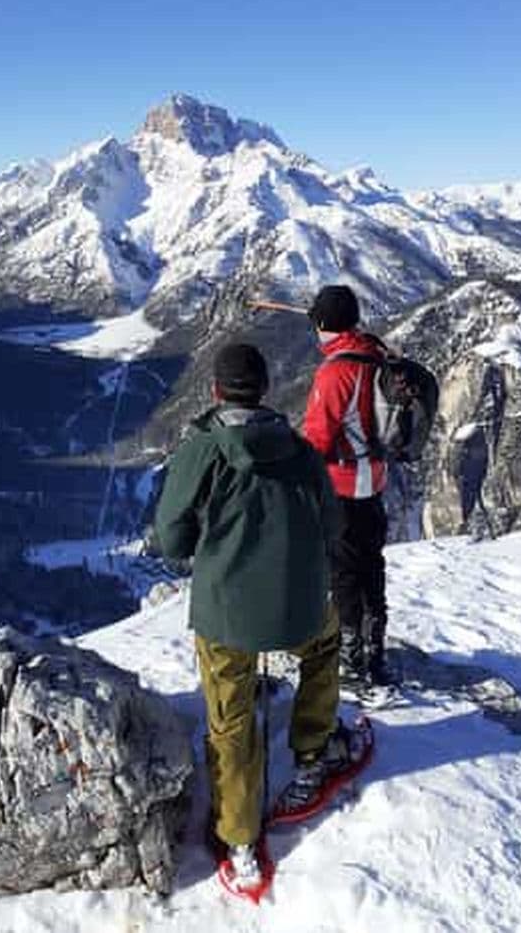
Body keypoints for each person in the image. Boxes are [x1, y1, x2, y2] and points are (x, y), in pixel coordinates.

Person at [154, 342, 353, 894]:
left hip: (225, 610)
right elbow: (332, 525)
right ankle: (313, 752)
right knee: (323, 647)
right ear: (265, 389)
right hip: (299, 602)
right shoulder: (298, 448)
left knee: (231, 717)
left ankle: (238, 835)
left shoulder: (203, 449)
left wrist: (205, 544)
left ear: (215, 390)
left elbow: (172, 537)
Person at [302, 284, 393, 695]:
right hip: (375, 478)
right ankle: (376, 648)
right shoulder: (377, 354)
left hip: (342, 485)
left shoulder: (335, 371)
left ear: (322, 325)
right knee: (372, 565)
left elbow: (319, 437)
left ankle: (351, 653)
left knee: (343, 572)